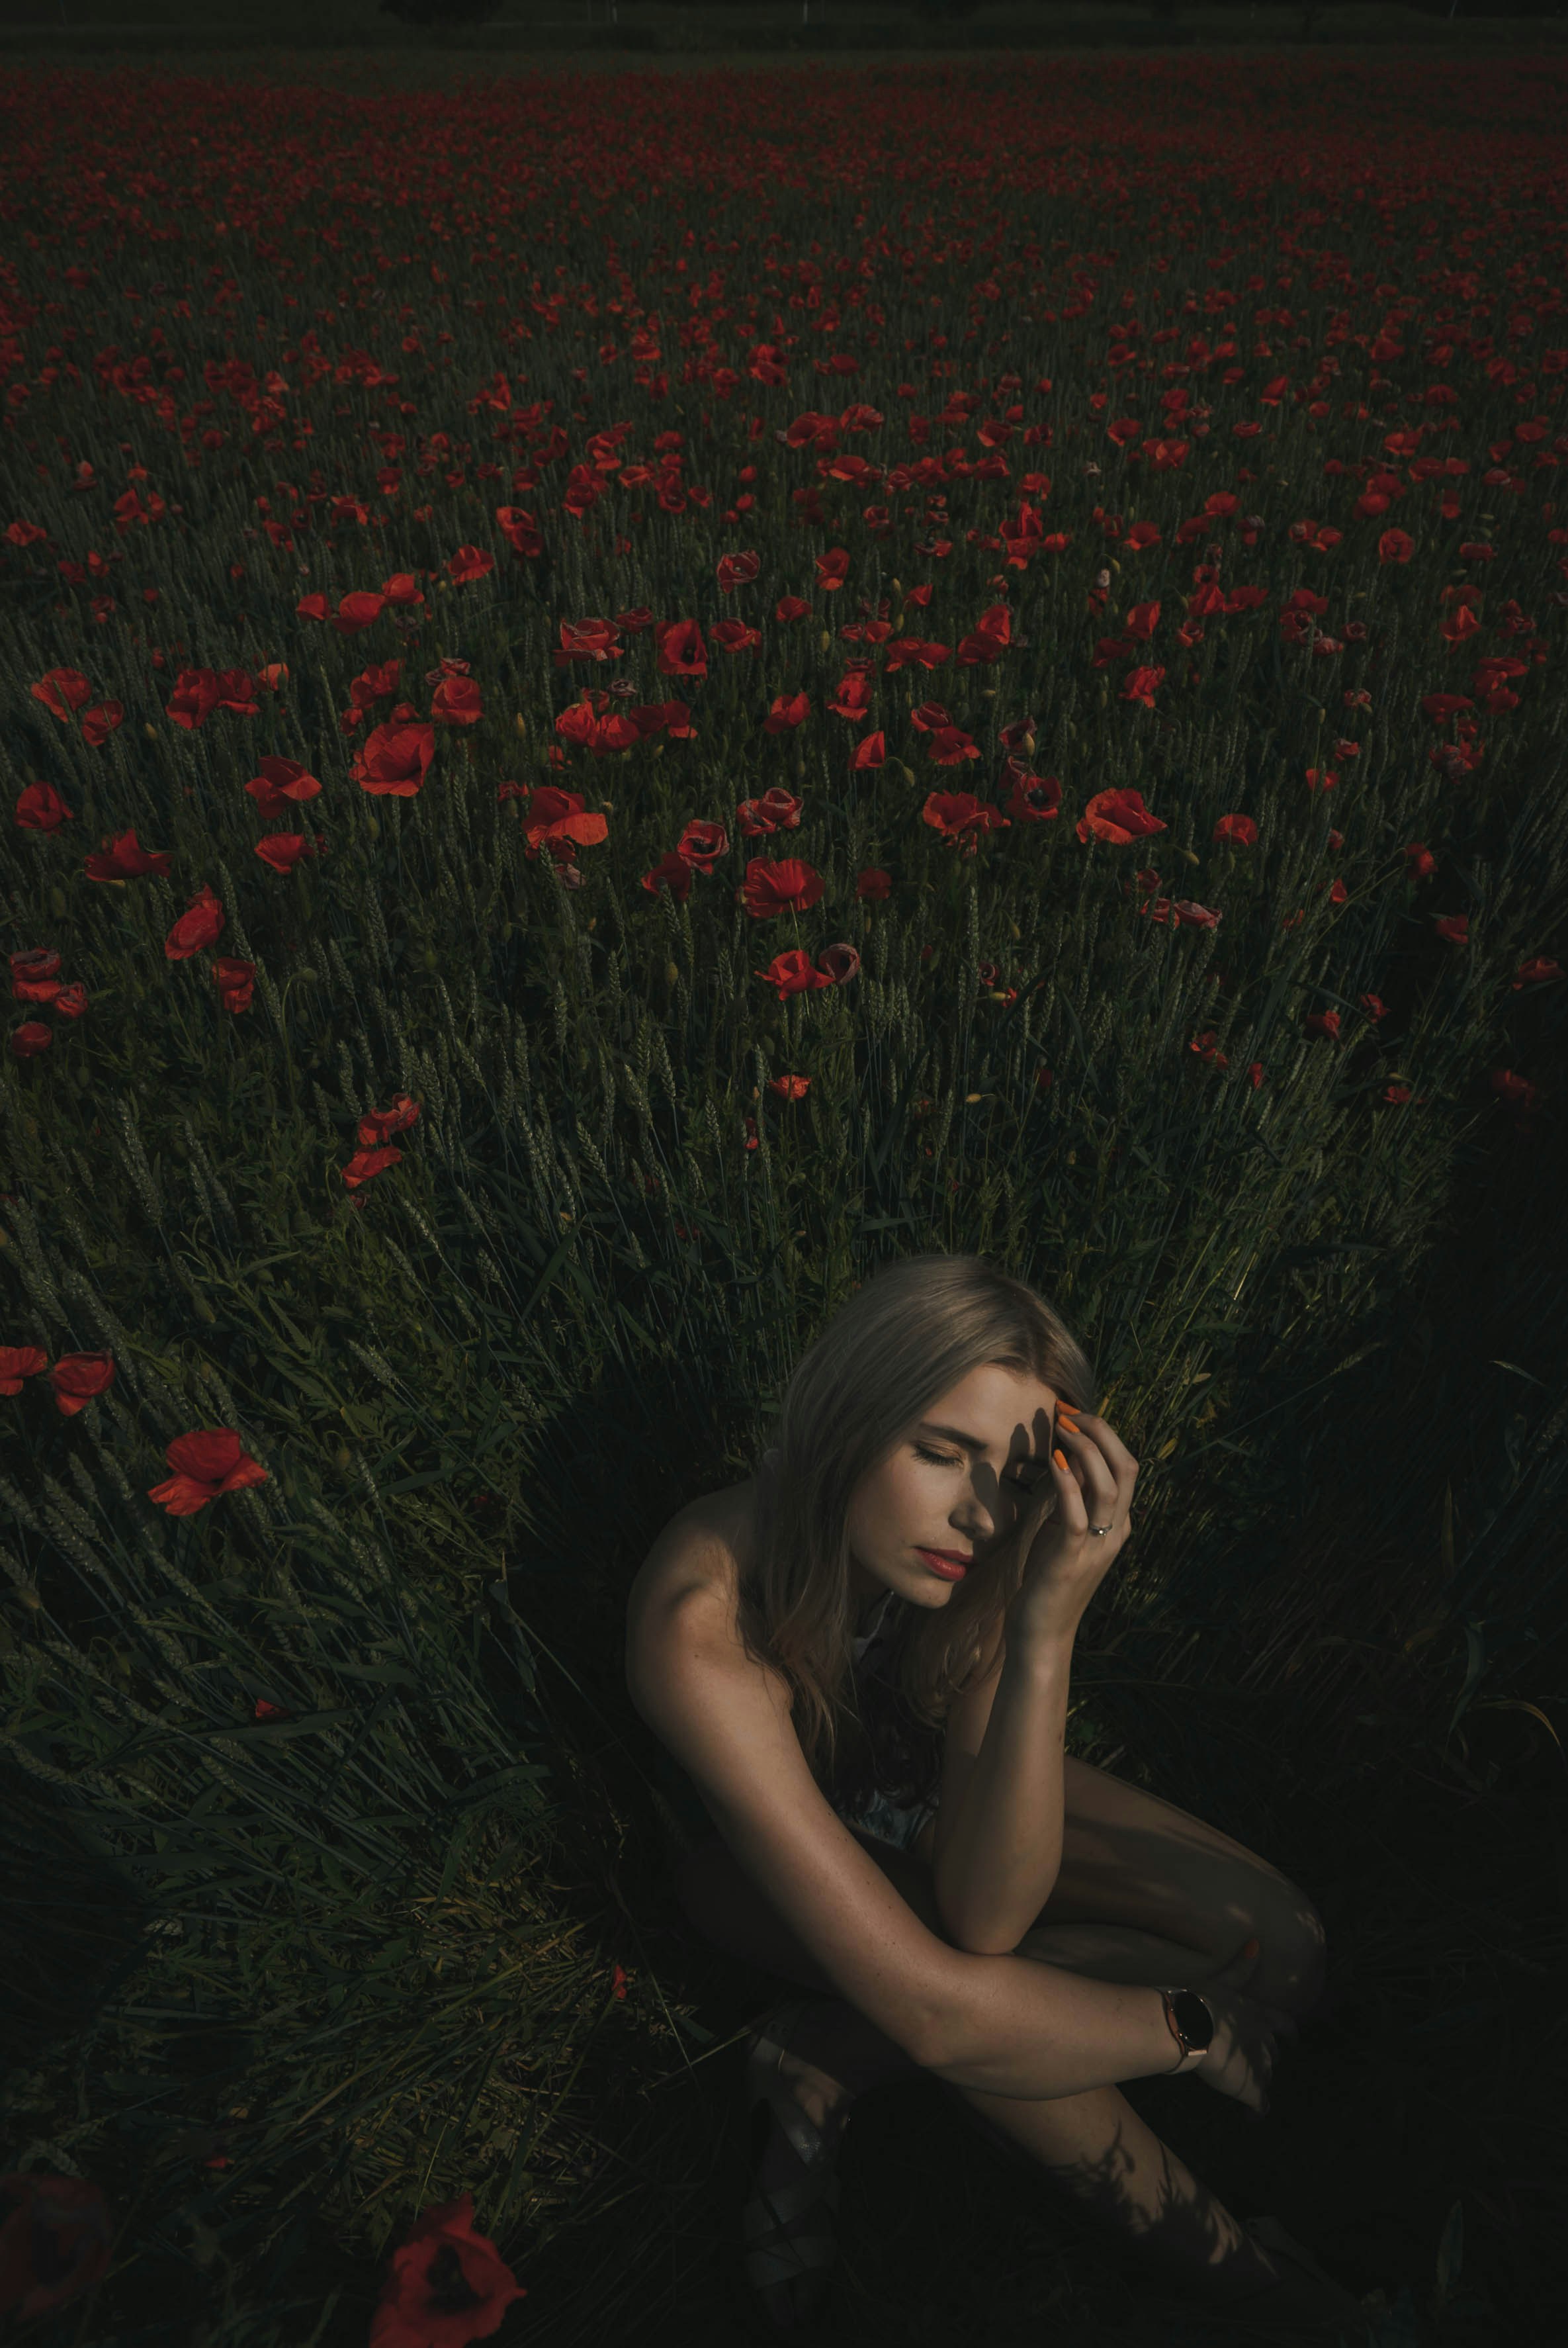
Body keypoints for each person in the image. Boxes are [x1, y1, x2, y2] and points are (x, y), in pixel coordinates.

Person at [625, 1253, 1371, 2341]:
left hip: (910, 1788)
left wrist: (1044, 1625)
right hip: (748, 1860)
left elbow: (990, 1912)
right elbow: (940, 2004)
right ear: (845, 1418)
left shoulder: (988, 1547)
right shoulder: (700, 1624)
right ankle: (1264, 2294)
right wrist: (1191, 2031)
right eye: (939, 1452)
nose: (979, 1513)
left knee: (1283, 1950)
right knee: (977, 2016)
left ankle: (827, 2051)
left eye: (1016, 1477)